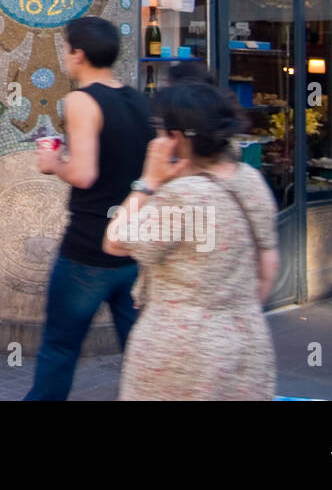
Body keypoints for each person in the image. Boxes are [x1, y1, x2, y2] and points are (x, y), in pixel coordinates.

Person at [103, 81, 280, 400]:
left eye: (160, 128)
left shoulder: (181, 197)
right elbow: (268, 263)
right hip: (248, 342)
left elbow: (115, 240)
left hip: (180, 350)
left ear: (178, 139)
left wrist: (148, 182)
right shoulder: (250, 179)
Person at [25, 16, 154, 400]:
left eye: (66, 49)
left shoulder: (81, 100)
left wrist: (53, 164)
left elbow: (83, 174)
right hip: (131, 245)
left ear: (78, 54)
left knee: (60, 349)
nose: (65, 56)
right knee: (142, 350)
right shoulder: (135, 99)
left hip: (88, 249)